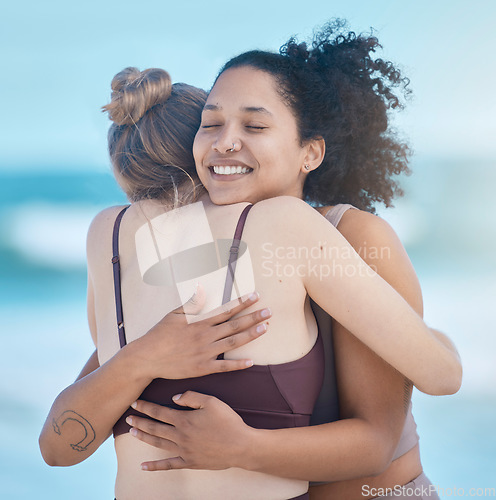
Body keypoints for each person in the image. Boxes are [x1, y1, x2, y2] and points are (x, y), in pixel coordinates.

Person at [39, 22, 461, 500]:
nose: (225, 142)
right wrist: (143, 356)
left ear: (310, 152)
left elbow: (379, 441)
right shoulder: (197, 258)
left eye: (255, 126)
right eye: (210, 124)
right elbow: (64, 435)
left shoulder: (352, 235)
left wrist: (242, 448)